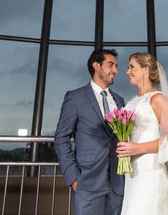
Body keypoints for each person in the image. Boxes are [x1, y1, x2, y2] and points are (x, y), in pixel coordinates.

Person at [116, 52, 168, 215]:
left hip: (152, 170)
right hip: (133, 172)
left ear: (145, 70)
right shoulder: (132, 102)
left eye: (131, 67)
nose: (127, 71)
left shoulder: (158, 99)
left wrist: (137, 148)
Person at [54, 48, 126, 215]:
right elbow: (61, 138)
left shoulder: (120, 100)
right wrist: (73, 178)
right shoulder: (75, 97)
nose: (115, 70)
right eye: (111, 65)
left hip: (118, 184)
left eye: (116, 66)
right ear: (96, 66)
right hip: (87, 183)